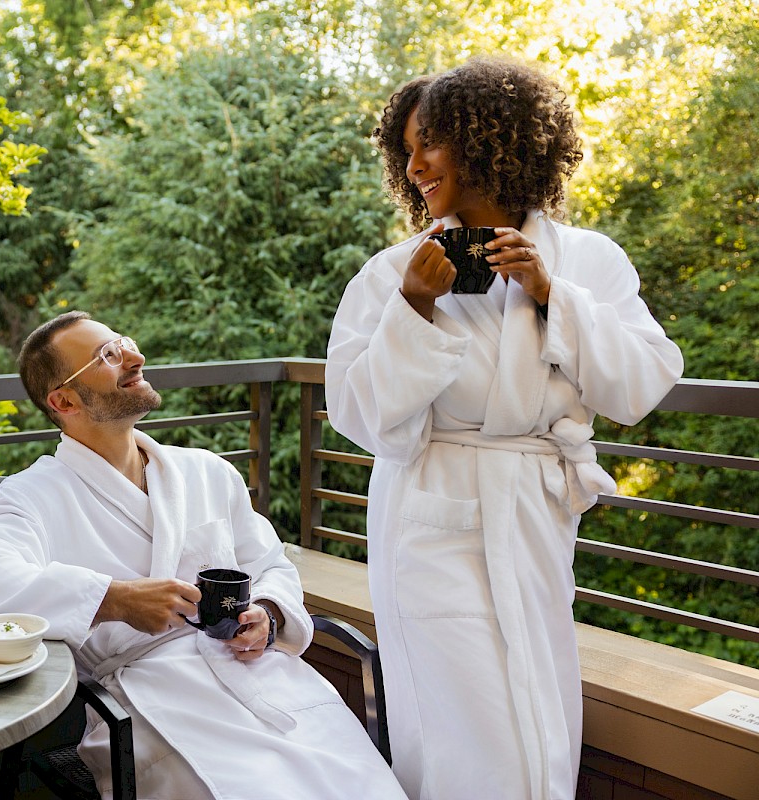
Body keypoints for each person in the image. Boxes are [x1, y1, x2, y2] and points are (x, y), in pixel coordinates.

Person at [325, 58, 683, 800]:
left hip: (532, 517)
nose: (415, 164)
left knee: (536, 709)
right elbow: (357, 413)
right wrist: (413, 307)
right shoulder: (393, 271)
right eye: (407, 150)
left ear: (491, 141)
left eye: (431, 143)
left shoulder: (587, 260)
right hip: (431, 521)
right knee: (467, 728)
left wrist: (554, 294)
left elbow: (643, 383)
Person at [0, 311, 408, 800]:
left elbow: (269, 563)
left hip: (264, 678)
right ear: (64, 400)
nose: (135, 358)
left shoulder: (207, 473)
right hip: (149, 705)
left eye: (123, 342)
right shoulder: (31, 496)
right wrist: (113, 600)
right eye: (108, 356)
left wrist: (267, 613)